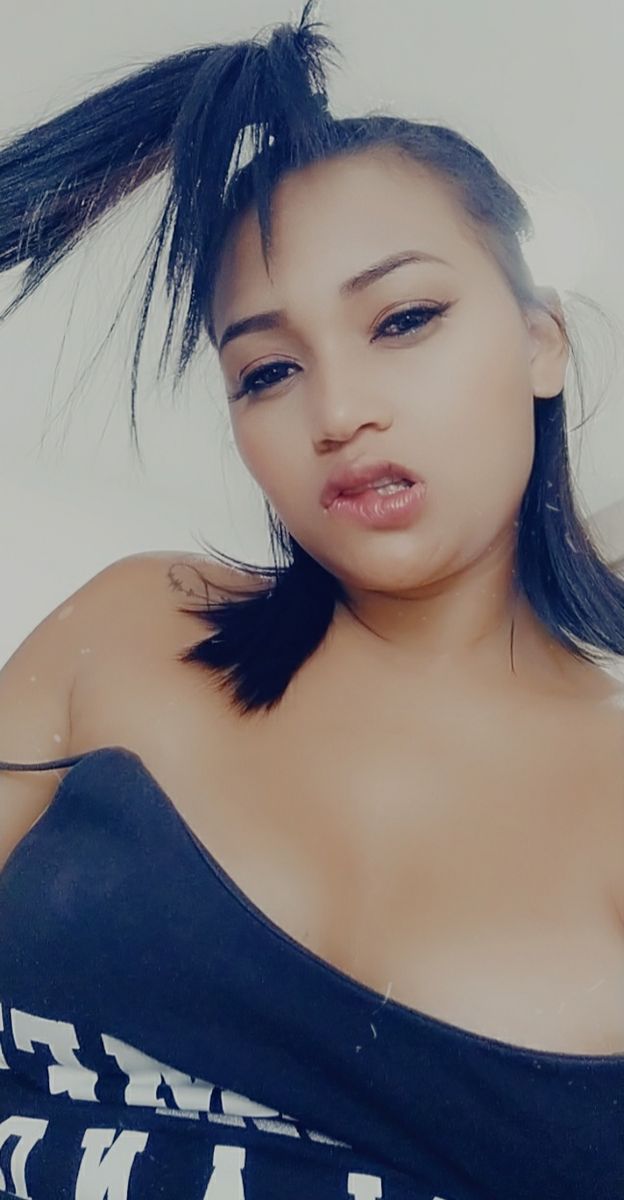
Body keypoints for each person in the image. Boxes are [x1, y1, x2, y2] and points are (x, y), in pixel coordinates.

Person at [0, 2, 623, 1197]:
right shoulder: (130, 631)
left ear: (542, 341)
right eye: (268, 370)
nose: (339, 411)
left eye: (405, 319)